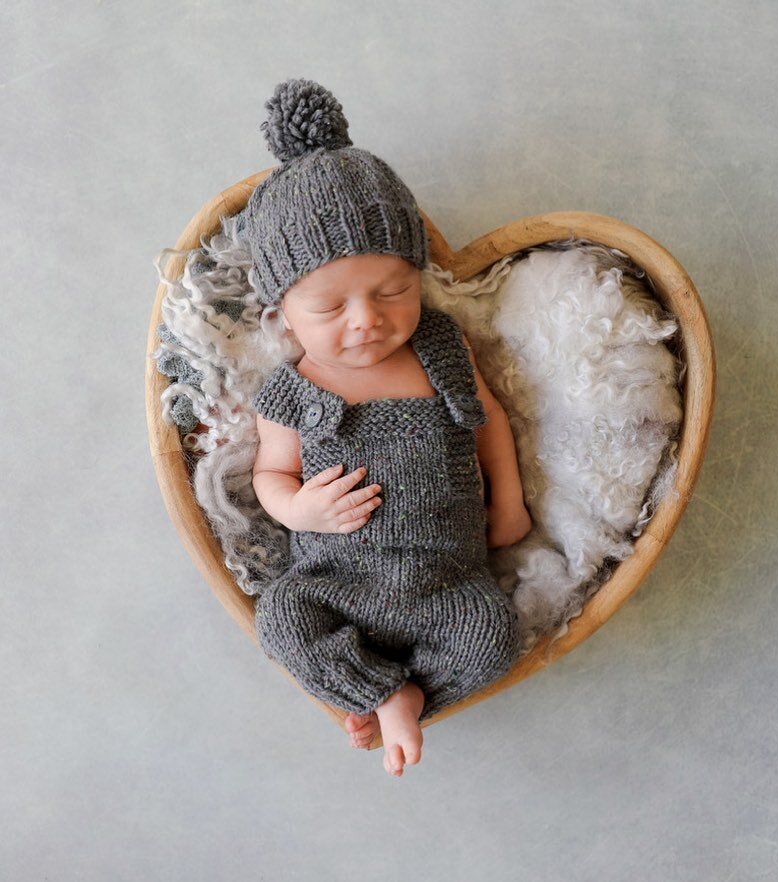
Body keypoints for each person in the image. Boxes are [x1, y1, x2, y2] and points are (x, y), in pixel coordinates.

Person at [242, 78, 532, 777]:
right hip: (336, 580)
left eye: (391, 291)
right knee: (279, 620)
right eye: (329, 307)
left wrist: (509, 500)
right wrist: (298, 506)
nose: (366, 319)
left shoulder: (438, 347)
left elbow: (485, 420)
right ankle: (389, 694)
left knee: (495, 635)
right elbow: (268, 474)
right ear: (283, 310)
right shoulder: (291, 389)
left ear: (417, 277)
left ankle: (391, 699)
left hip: (447, 580)